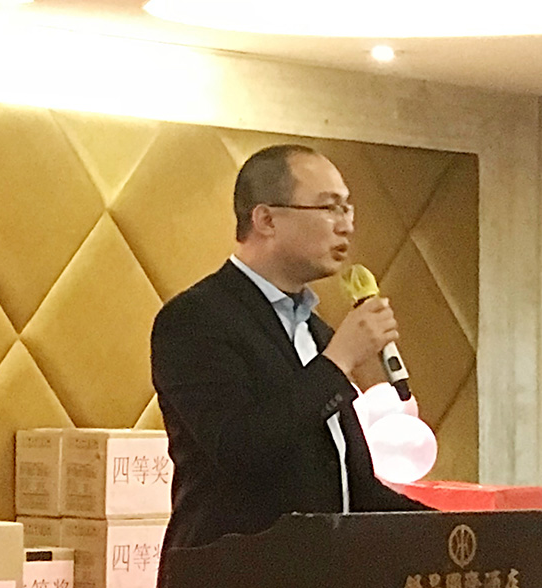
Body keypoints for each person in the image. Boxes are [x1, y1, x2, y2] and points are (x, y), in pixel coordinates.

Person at [151, 144, 429, 573]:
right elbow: (239, 447)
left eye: (348, 209)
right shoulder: (196, 319)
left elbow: (349, 487)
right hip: (233, 574)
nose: (346, 225)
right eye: (329, 208)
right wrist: (338, 363)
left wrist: (459, 531)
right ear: (266, 219)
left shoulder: (317, 332)